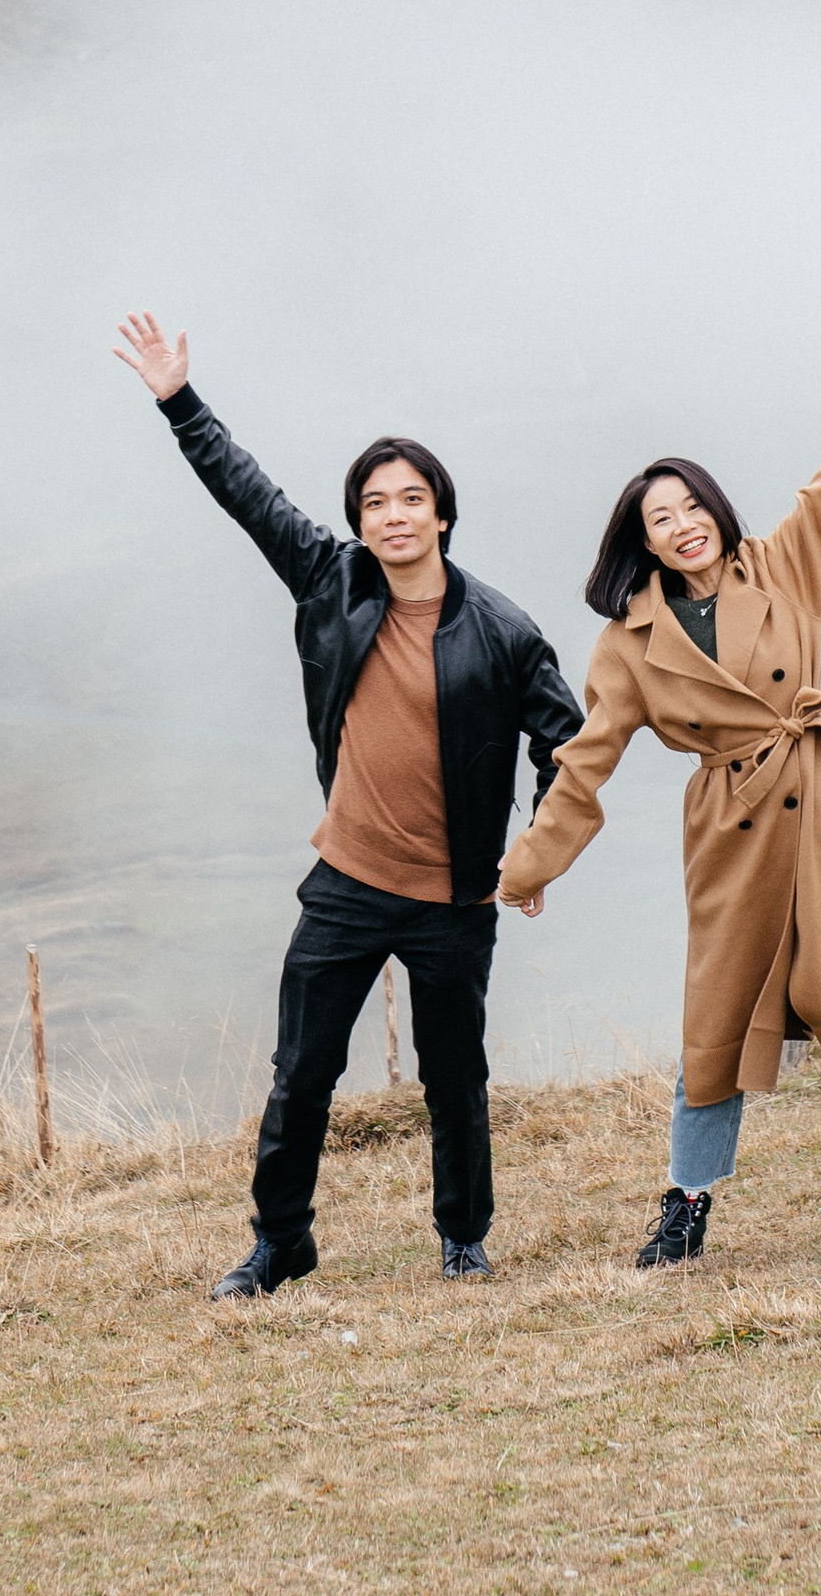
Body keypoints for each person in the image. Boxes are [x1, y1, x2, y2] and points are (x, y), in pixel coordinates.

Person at [496, 297, 821, 1267]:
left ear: (716, 511)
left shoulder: (786, 561)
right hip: (728, 830)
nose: (681, 527)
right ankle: (686, 1208)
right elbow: (585, 761)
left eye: (690, 508)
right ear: (640, 541)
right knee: (713, 1020)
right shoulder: (628, 643)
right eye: (659, 519)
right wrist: (529, 866)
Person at [115, 307, 583, 1300]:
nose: (394, 515)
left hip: (452, 898)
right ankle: (279, 1242)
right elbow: (247, 494)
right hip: (345, 881)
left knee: (453, 1079)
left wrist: (537, 853)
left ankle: (463, 1237)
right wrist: (178, 400)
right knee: (302, 1072)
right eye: (375, 502)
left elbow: (568, 745)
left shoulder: (502, 630)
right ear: (360, 521)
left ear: (443, 515)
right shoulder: (331, 583)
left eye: (412, 498)